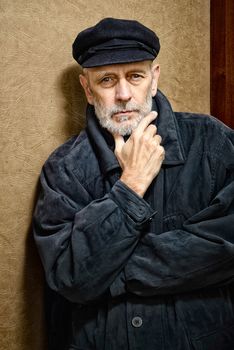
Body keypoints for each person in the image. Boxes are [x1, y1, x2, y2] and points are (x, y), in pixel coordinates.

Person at [33, 18, 234, 350]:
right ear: (87, 88)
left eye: (135, 76)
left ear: (153, 80)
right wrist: (130, 187)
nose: (123, 94)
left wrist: (113, 272)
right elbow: (69, 277)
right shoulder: (64, 169)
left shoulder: (211, 142)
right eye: (107, 80)